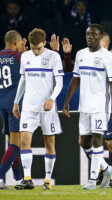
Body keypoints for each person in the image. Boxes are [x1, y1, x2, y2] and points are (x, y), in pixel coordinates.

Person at [63, 24, 112, 190]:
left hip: (101, 105)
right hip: (85, 105)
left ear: (100, 37)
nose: (90, 37)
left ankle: (92, 179)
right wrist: (67, 101)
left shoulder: (108, 57)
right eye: (88, 34)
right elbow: (75, 79)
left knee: (97, 139)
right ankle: (107, 169)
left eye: (94, 35)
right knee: (83, 142)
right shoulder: (81, 54)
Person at [12, 28, 64, 190]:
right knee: (24, 140)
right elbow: (23, 80)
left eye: (38, 48)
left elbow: (60, 82)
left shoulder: (54, 57)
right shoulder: (25, 56)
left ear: (45, 43)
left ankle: (47, 180)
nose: (35, 51)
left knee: (49, 143)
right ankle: (28, 179)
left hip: (47, 108)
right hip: (29, 107)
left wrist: (52, 98)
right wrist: (16, 101)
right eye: (33, 48)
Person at [0, 30, 25, 189]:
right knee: (17, 143)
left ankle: (18, 178)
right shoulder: (20, 57)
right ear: (15, 42)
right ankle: (0, 176)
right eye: (21, 42)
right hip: (15, 103)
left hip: (1, 102)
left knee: (12, 142)